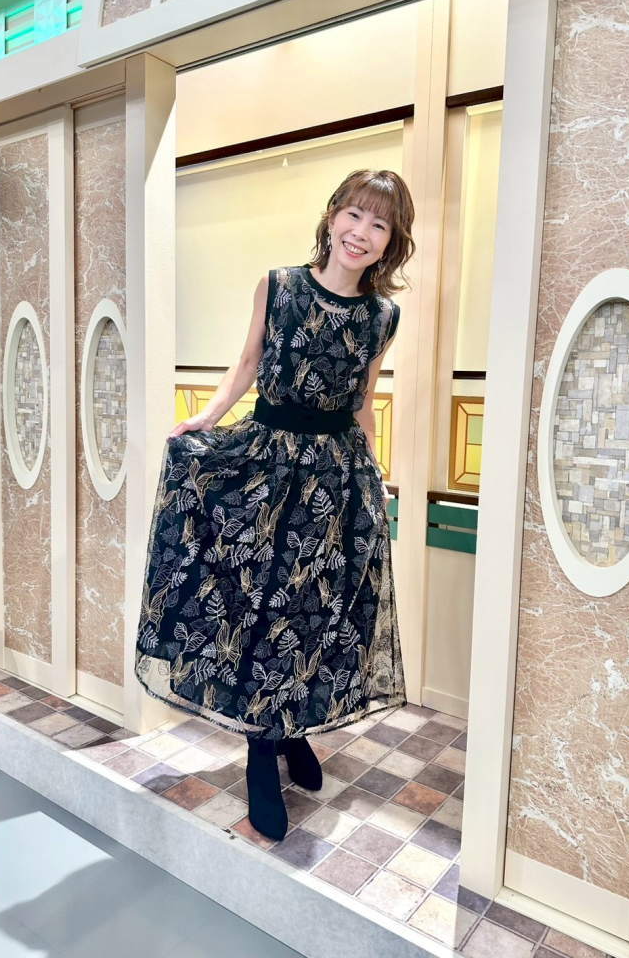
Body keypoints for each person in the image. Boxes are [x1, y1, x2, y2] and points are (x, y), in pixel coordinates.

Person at [135, 168, 415, 841]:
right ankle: (263, 750)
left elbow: (363, 400)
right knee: (256, 609)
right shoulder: (281, 285)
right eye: (354, 215)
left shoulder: (382, 317)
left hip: (334, 478)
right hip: (266, 463)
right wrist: (205, 419)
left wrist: (375, 472)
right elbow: (247, 365)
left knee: (315, 610)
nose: (361, 232)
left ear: (391, 242)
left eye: (378, 224)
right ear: (333, 216)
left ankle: (291, 728)